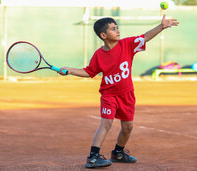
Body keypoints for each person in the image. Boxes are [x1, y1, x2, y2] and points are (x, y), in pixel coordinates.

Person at [58, 14, 179, 168]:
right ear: (103, 35)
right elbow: (89, 72)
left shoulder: (127, 44)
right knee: (106, 123)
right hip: (109, 95)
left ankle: (118, 153)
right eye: (113, 29)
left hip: (127, 94)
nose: (118, 30)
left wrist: (161, 26)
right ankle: (93, 157)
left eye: (117, 27)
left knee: (128, 127)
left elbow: (145, 37)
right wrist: (70, 70)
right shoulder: (99, 55)